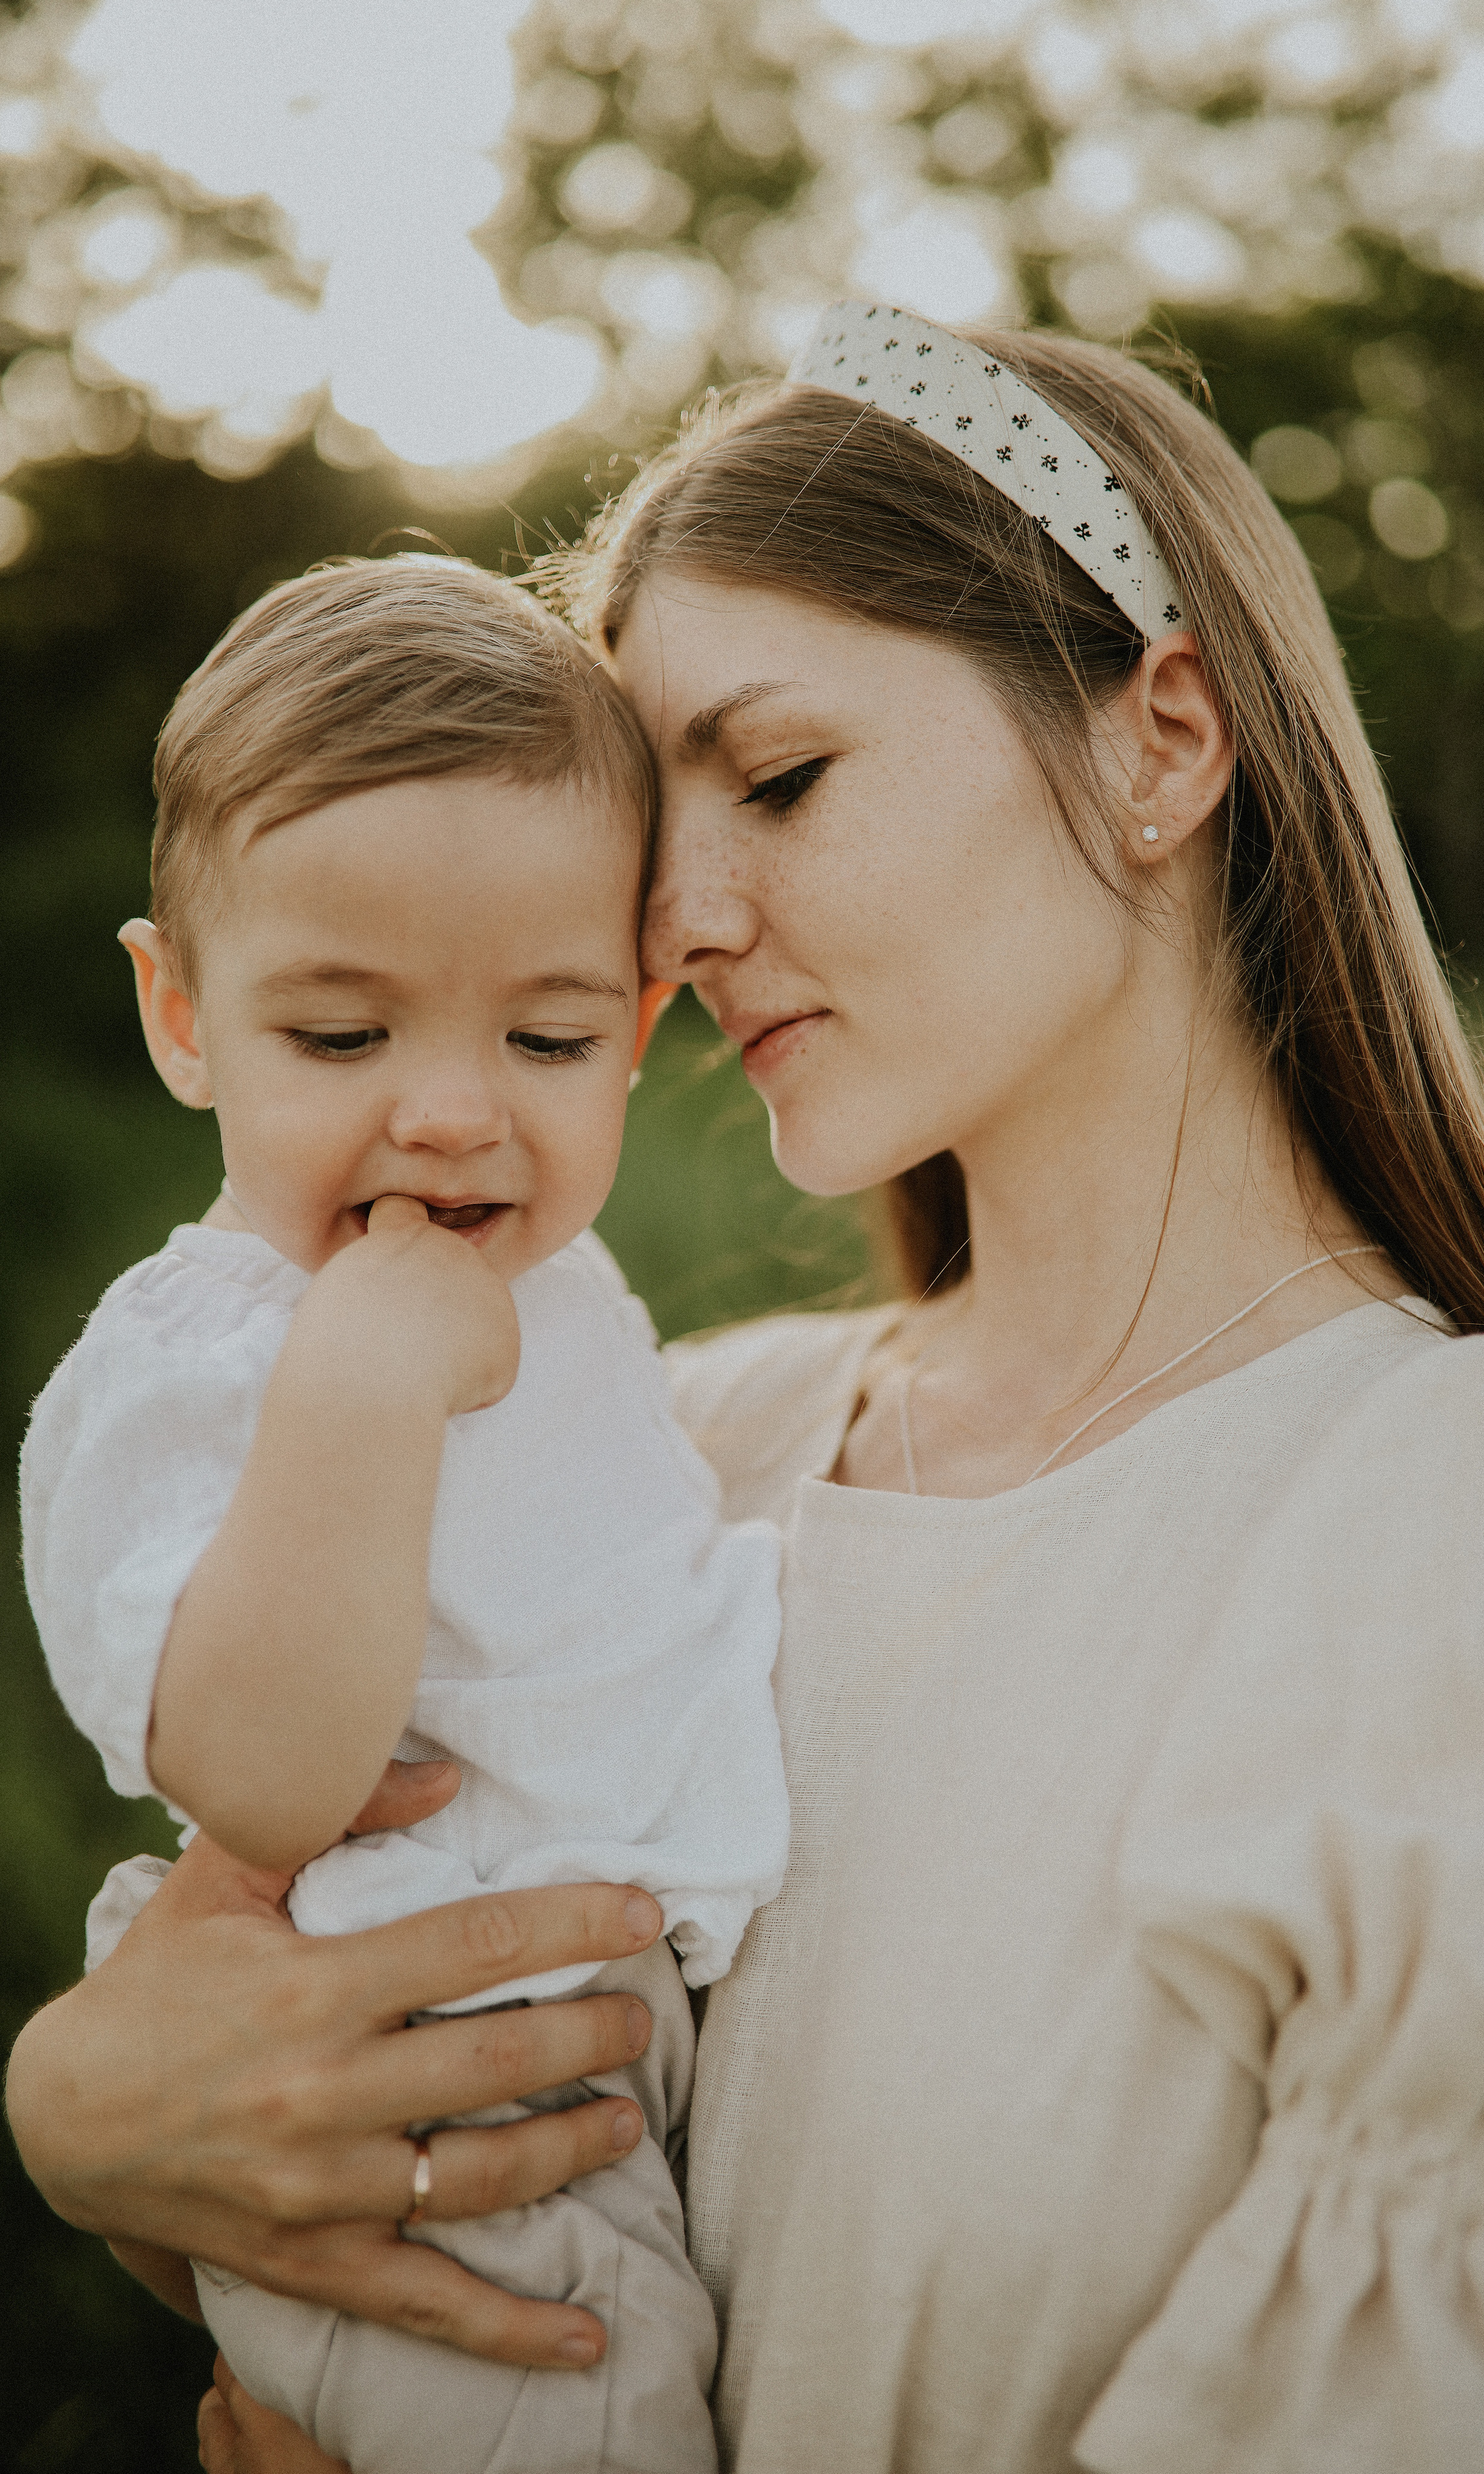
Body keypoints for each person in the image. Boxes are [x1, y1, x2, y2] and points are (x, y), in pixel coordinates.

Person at [9, 306, 1484, 2474]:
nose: (677, 925)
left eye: (780, 781)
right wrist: (88, 2117)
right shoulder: (658, 1455)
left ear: (1163, 740)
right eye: (649, 847)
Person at [15, 557, 789, 2474]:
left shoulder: (564, 1288)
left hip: (609, 2030)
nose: (452, 1114)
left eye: (545, 1041)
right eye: (343, 1040)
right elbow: (267, 1781)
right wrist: (360, 1376)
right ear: (184, 1018)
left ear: (639, 1026)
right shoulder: (203, 1365)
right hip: (408, 2078)